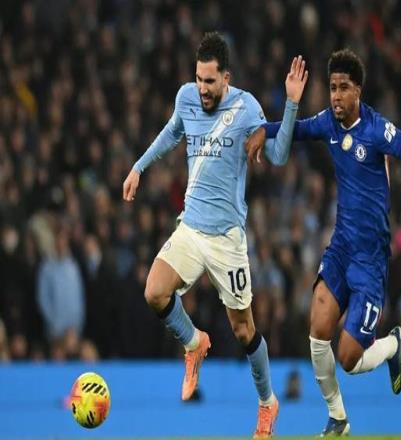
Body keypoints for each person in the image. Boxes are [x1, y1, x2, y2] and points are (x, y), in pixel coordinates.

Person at [246, 48, 401, 437]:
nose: (336, 96)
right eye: (332, 88)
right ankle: (338, 418)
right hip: (341, 247)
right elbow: (298, 129)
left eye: (344, 88)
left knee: (348, 358)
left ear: (358, 90)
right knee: (317, 326)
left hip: (371, 259)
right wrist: (264, 130)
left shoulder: (377, 130)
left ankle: (393, 345)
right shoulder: (328, 123)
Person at [122, 32, 308, 438]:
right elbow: (171, 132)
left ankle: (267, 402)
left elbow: (277, 156)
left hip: (227, 239)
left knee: (244, 330)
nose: (202, 89)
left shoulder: (247, 108)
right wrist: (138, 167)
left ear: (226, 78)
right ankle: (194, 343)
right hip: (191, 227)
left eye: (209, 81)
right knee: (154, 291)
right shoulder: (186, 97)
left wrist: (291, 104)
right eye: (198, 79)